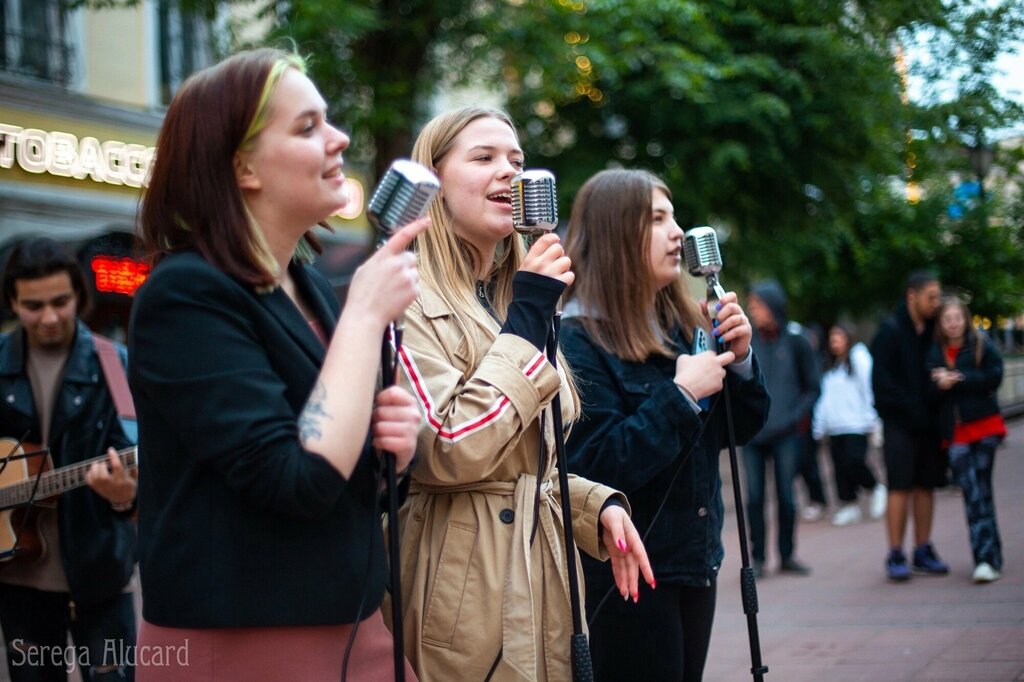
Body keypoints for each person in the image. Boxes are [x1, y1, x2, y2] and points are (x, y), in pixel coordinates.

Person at [127, 48, 425, 680]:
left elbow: (340, 464)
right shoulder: (183, 294)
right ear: (242, 168)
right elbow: (295, 480)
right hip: (243, 642)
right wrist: (366, 317)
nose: (339, 137)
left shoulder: (306, 283)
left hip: (351, 622)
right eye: (307, 127)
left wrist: (393, 453)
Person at [388, 107, 654, 682]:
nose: (509, 173)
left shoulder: (511, 295)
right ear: (432, 180)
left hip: (542, 577)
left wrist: (592, 504)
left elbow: (522, 454)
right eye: (483, 158)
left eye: (517, 161)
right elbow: (449, 448)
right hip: (460, 592)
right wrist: (532, 312)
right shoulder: (404, 296)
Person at [560, 169, 769, 681]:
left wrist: (740, 361)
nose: (678, 231)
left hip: (696, 560)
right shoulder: (577, 342)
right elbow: (597, 464)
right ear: (615, 235)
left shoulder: (684, 327)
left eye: (673, 216)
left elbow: (738, 429)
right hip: (628, 572)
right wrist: (679, 396)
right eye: (657, 219)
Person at [0, 237, 137, 681]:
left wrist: (123, 497)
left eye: (61, 301)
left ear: (80, 294)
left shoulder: (115, 364)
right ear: (12, 303)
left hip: (99, 576)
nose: (50, 317)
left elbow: (138, 467)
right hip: (18, 577)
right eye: (33, 305)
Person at [871, 270, 948, 581]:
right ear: (911, 296)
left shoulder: (934, 330)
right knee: (899, 486)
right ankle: (895, 552)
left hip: (929, 423)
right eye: (931, 297)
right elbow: (880, 384)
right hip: (899, 425)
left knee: (926, 485)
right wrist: (909, 407)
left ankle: (923, 549)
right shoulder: (889, 332)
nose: (936, 303)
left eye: (938, 297)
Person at [927, 295, 1006, 583]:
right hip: (955, 433)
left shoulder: (981, 343)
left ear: (965, 318)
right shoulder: (934, 352)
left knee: (982, 492)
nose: (952, 324)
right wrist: (939, 385)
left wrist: (961, 379)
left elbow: (995, 376)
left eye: (957, 318)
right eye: (947, 319)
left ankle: (988, 556)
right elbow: (929, 395)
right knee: (971, 493)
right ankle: (986, 556)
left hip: (984, 427)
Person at [743, 280, 819, 577]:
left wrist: (795, 416)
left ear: (773, 306)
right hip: (753, 435)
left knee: (786, 496)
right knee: (754, 498)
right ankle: (759, 558)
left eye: (757, 304)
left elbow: (813, 386)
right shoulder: (747, 340)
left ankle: (787, 554)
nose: (752, 309)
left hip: (786, 434)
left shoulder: (796, 340)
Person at [811, 324, 887, 526]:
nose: (834, 340)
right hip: (835, 426)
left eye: (839, 335)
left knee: (854, 460)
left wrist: (873, 417)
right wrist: (819, 424)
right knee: (839, 468)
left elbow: (869, 386)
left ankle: (875, 487)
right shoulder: (830, 367)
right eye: (832, 336)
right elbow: (824, 398)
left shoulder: (859, 358)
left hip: (856, 424)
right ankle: (849, 504)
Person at [790, 320, 828, 522]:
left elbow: (814, 390)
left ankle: (817, 499)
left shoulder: (812, 361)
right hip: (792, 424)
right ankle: (800, 500)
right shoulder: (793, 361)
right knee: (794, 465)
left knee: (809, 464)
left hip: (806, 422)